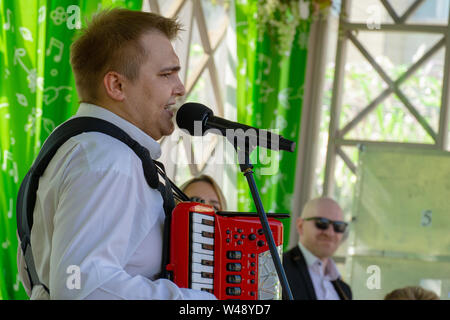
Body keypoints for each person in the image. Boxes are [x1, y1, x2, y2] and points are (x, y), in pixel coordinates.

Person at [17, 8, 215, 300]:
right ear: (117, 85)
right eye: (166, 74)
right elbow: (83, 289)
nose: (180, 88)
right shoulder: (109, 160)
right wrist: (202, 302)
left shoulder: (81, 146)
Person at [283, 197, 352, 300]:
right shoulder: (278, 268)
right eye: (322, 223)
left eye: (338, 226)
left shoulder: (345, 290)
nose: (330, 233)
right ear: (300, 226)